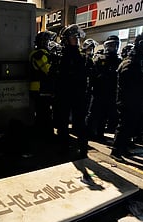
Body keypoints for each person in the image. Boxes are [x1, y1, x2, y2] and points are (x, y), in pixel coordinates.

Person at [110, 31, 143, 161]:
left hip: (137, 100)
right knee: (124, 126)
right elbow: (132, 80)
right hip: (127, 101)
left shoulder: (141, 61)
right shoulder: (131, 62)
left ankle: (123, 148)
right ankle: (116, 151)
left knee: (131, 127)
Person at [55, 24, 89, 157]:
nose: (77, 40)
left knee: (80, 123)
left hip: (77, 96)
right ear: (66, 39)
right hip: (64, 96)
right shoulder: (61, 56)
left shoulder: (80, 56)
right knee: (62, 123)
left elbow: (84, 77)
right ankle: (64, 149)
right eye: (74, 38)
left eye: (77, 38)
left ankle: (83, 149)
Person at [86, 35, 121, 142]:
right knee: (93, 114)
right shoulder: (99, 59)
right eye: (110, 45)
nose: (112, 48)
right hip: (98, 92)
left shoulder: (118, 60)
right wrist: (91, 88)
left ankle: (100, 135)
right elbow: (92, 75)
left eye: (114, 46)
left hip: (111, 92)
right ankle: (88, 134)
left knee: (104, 116)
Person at [29, 30, 60, 139]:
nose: (49, 43)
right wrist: (56, 63)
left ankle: (43, 135)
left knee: (44, 113)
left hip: (43, 88)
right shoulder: (39, 54)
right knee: (44, 114)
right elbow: (48, 70)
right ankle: (45, 136)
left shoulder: (44, 53)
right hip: (40, 88)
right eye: (48, 41)